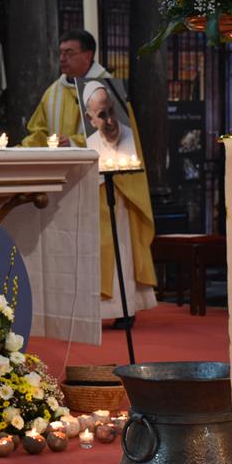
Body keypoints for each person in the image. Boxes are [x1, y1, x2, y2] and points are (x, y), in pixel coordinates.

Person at [81, 81, 158, 323]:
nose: (109, 120)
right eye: (101, 115)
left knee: (119, 251)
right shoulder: (55, 93)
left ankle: (124, 309)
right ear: (90, 119)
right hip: (84, 189)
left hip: (118, 189)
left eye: (111, 112)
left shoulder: (111, 89)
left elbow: (130, 149)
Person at [21, 29, 109, 148]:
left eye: (69, 53)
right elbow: (39, 132)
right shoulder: (53, 91)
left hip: (96, 159)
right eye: (61, 53)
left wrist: (73, 143)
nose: (62, 58)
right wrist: (21, 150)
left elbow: (114, 131)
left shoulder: (107, 88)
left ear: (88, 55)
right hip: (59, 159)